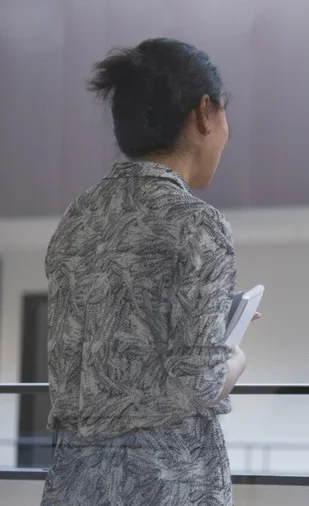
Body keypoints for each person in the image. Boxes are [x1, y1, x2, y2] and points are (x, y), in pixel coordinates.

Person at [41, 38, 254, 506]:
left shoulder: (78, 217)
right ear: (204, 113)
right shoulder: (197, 223)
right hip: (163, 480)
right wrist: (233, 356)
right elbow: (198, 383)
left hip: (74, 478)